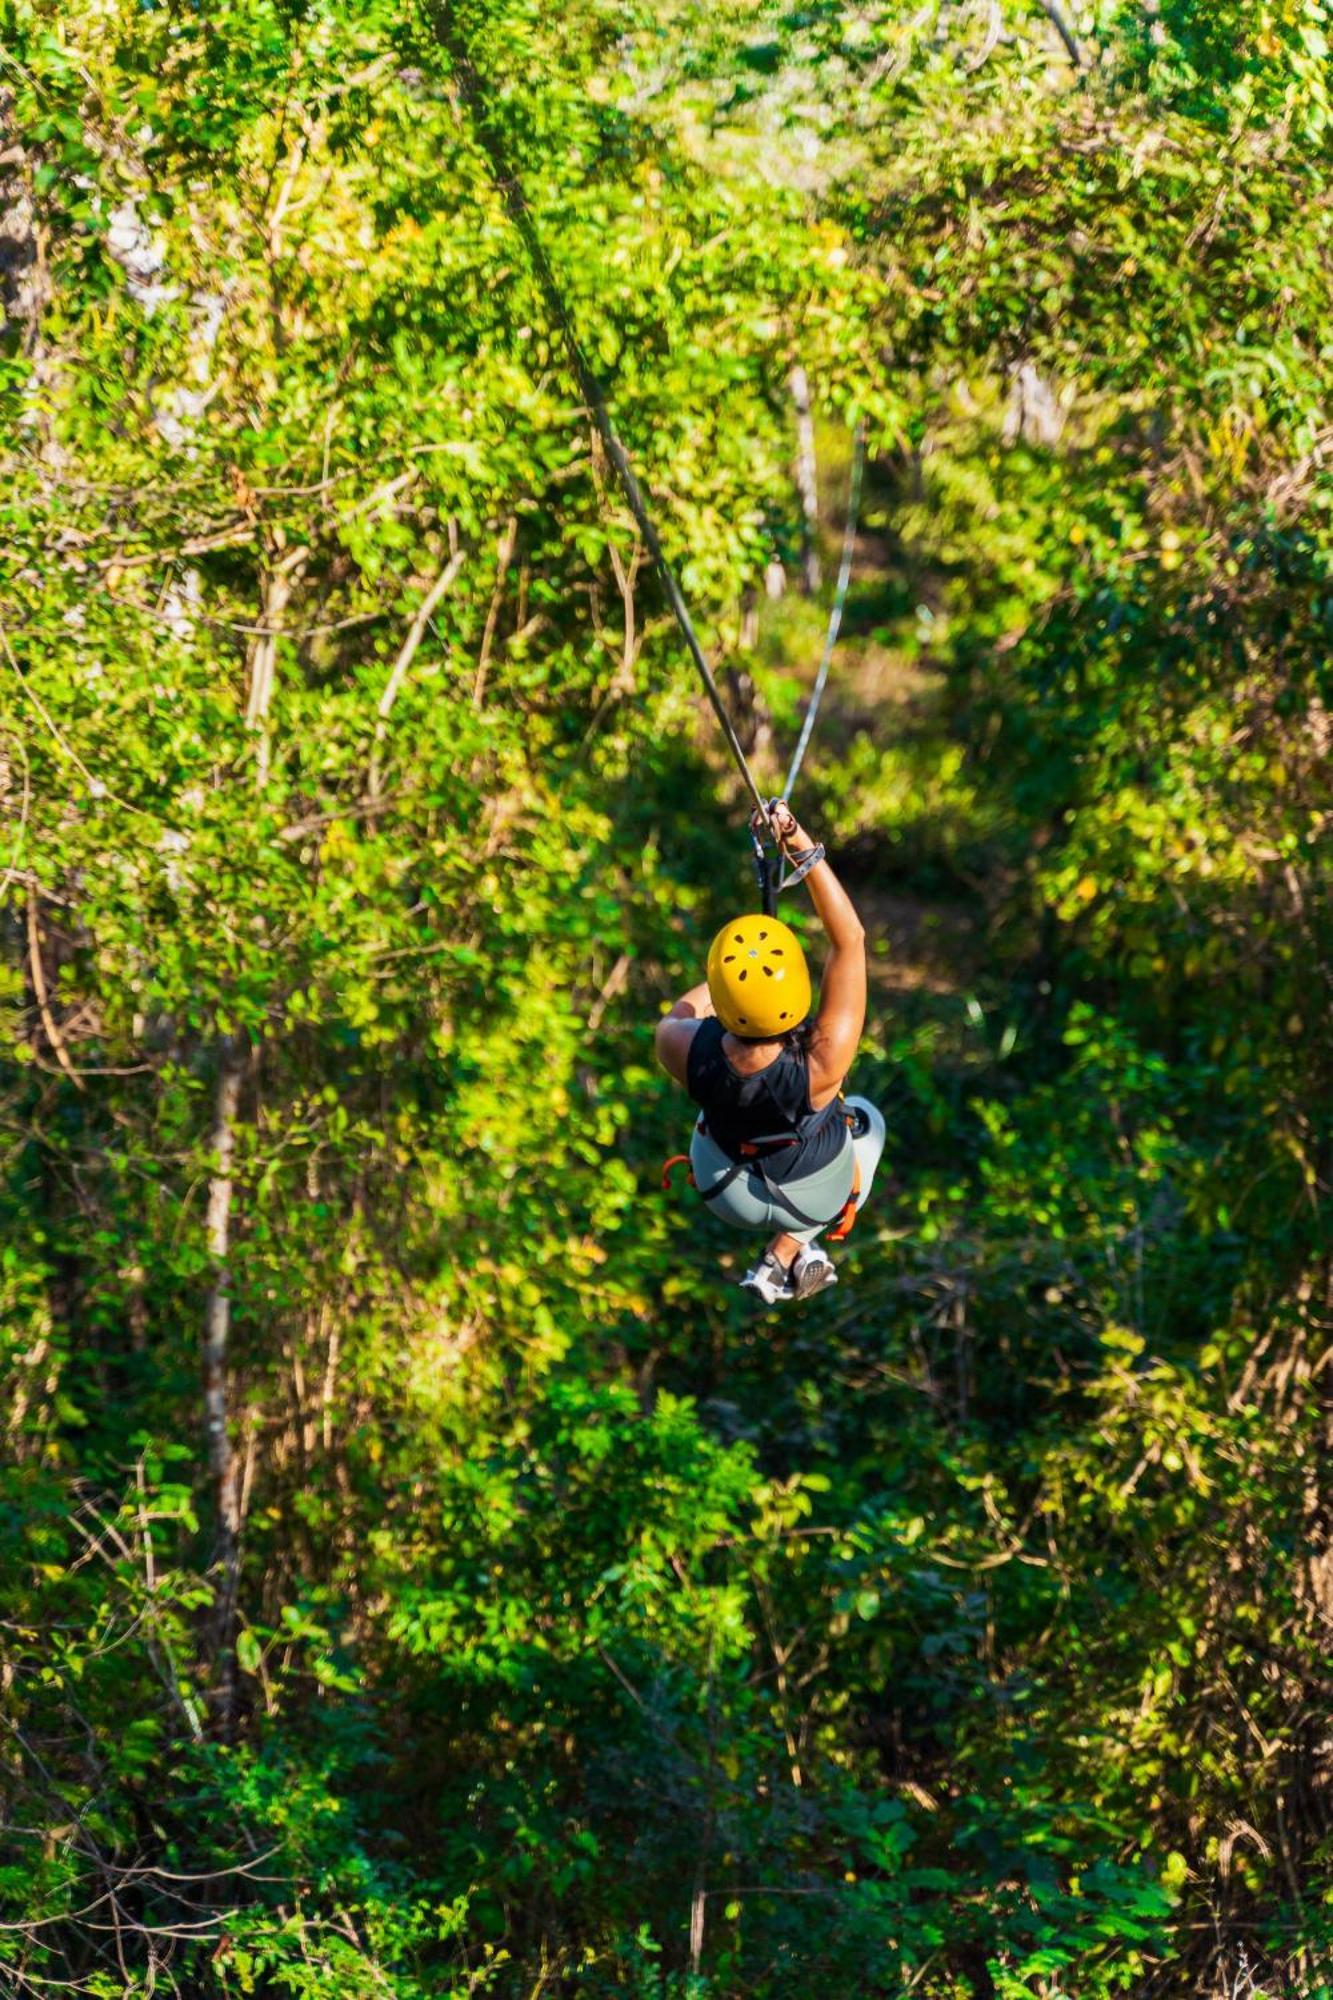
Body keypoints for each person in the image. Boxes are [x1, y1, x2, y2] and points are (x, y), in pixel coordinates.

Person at [655, 800, 886, 1303]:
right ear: (796, 991)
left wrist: (732, 984)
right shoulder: (822, 1064)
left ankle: (788, 1259)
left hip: (726, 1191)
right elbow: (850, 940)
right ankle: (788, 1250)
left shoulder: (677, 1044)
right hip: (809, 1197)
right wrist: (801, 844)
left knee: (709, 1109)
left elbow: (684, 1013)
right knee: (867, 1120)